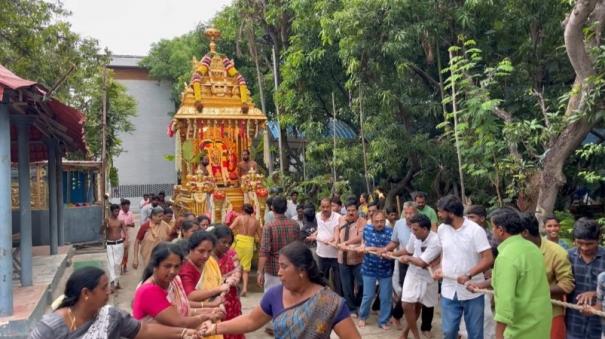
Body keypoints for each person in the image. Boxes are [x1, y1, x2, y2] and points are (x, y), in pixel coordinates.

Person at [199, 241, 361, 339]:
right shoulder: (275, 294)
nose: (278, 272)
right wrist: (215, 328)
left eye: (284, 267)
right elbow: (251, 321)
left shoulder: (330, 302)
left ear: (301, 271)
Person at [29, 267, 202, 339]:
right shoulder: (51, 326)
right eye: (104, 288)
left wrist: (185, 332)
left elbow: (144, 329)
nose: (109, 292)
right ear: (86, 293)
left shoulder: (110, 315)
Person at [433, 195, 493, 339]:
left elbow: (488, 258)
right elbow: (444, 252)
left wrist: (468, 275)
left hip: (472, 290)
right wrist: (440, 267)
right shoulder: (442, 229)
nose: (439, 215)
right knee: (449, 332)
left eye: (441, 212)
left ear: (451, 213)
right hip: (448, 289)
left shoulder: (475, 231)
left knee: (475, 333)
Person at [132, 242, 223, 327]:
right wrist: (206, 317)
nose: (172, 271)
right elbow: (179, 322)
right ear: (155, 266)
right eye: (167, 266)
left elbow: (183, 311)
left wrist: (208, 310)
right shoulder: (149, 291)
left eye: (177, 266)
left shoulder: (174, 281)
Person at [520, 212, 574, 339]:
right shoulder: (518, 251)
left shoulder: (557, 252)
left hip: (551, 312)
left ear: (525, 233)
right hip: (524, 311)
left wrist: (536, 289)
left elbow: (567, 285)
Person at [393, 213, 441, 339]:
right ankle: (416, 336)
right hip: (413, 273)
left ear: (425, 229)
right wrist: (390, 253)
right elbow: (408, 250)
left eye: (415, 229)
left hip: (428, 277)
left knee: (418, 305)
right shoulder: (415, 235)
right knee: (406, 304)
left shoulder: (435, 241)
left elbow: (422, 262)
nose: (412, 232)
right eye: (412, 229)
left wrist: (408, 258)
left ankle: (405, 332)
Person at [565, 218, 605, 339]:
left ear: (598, 240)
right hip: (574, 322)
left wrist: (595, 293)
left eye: (589, 244)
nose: (584, 248)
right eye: (579, 243)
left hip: (600, 325)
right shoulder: (567, 257)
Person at [357, 211, 394, 330]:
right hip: (369, 268)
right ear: (372, 222)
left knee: (386, 296)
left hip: (385, 269)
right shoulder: (366, 229)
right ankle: (362, 317)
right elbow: (363, 242)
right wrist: (363, 247)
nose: (379, 224)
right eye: (376, 221)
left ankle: (383, 320)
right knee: (368, 295)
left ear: (385, 220)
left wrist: (375, 248)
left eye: (382, 221)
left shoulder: (391, 232)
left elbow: (392, 249)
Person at [382, 201, 415, 331]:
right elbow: (394, 242)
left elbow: (411, 249)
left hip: (420, 262)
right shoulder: (399, 224)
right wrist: (386, 249)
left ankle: (424, 326)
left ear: (415, 213)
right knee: (405, 291)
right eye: (405, 213)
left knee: (422, 295)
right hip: (404, 262)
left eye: (410, 213)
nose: (408, 216)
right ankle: (397, 316)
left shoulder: (421, 223)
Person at [334, 198, 366, 316]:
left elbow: (360, 237)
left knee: (362, 283)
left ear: (357, 210)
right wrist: (337, 240)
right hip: (343, 258)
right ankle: (351, 309)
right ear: (345, 210)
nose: (351, 212)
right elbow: (337, 229)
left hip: (357, 259)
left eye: (353, 210)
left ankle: (358, 303)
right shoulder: (341, 219)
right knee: (347, 286)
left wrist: (346, 243)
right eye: (348, 210)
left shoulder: (362, 221)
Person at [212, 226, 244, 339]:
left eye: (229, 243)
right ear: (214, 240)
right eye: (223, 242)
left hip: (231, 299)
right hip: (213, 300)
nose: (227, 246)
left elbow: (237, 270)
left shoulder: (231, 254)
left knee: (233, 328)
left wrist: (236, 275)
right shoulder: (207, 256)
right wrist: (226, 278)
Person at [308, 197, 342, 296]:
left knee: (337, 280)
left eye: (327, 207)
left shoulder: (338, 217)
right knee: (323, 278)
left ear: (331, 207)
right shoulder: (318, 215)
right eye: (323, 207)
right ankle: (323, 299)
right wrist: (314, 234)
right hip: (321, 253)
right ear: (320, 207)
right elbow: (320, 228)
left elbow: (338, 232)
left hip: (335, 254)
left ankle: (339, 299)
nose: (325, 209)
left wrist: (331, 240)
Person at [230, 203, 260, 297]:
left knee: (235, 265)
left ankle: (234, 287)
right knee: (246, 268)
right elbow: (260, 235)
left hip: (239, 242)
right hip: (249, 244)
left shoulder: (239, 218)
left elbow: (230, 229)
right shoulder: (256, 221)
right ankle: (245, 288)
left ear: (243, 210)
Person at [100, 203, 126, 291]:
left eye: (118, 211)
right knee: (111, 263)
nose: (117, 212)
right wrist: (104, 224)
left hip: (119, 244)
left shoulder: (121, 221)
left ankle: (117, 282)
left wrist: (125, 242)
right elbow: (101, 231)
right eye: (115, 211)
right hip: (110, 244)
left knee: (118, 264)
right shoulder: (107, 220)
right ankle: (111, 283)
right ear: (111, 211)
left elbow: (125, 233)